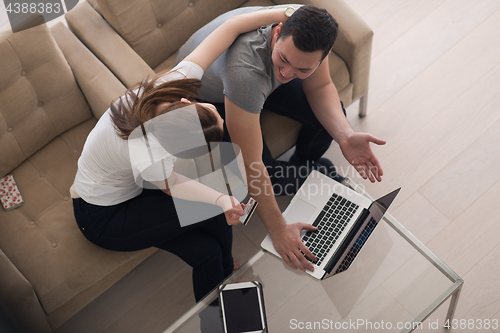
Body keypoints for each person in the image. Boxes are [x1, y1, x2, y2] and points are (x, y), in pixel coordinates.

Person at [71, 8, 292, 302]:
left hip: (132, 185)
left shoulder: (172, 85)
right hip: (103, 217)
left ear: (187, 102)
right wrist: (221, 200)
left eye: (211, 109)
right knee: (210, 244)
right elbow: (173, 184)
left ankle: (224, 275)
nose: (215, 108)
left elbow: (232, 26)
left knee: (212, 233)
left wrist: (287, 12)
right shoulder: (146, 150)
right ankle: (217, 302)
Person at [175, 5, 386, 273]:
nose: (286, 74)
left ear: (323, 57)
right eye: (283, 59)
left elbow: (320, 87)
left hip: (257, 81)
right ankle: (308, 175)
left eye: (302, 69)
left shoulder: (309, 33)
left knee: (335, 120)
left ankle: (305, 163)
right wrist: (279, 230)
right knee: (267, 174)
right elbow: (252, 166)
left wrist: (345, 136)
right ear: (277, 32)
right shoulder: (246, 71)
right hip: (209, 95)